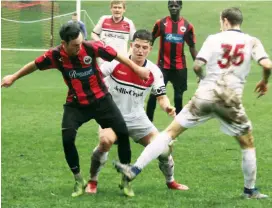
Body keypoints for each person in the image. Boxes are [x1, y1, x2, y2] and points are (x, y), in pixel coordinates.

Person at [113, 7, 272, 199]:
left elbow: (197, 65)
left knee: (169, 133)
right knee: (247, 143)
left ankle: (135, 170)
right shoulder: (252, 41)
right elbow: (267, 64)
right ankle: (249, 190)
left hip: (204, 96)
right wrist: (264, 81)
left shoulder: (214, 39)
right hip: (230, 100)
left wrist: (203, 79)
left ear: (224, 21)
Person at [1, 22, 149, 197]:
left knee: (123, 132)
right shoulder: (55, 55)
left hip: (101, 100)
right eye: (75, 45)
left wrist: (137, 68)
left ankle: (126, 181)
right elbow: (34, 64)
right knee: (67, 138)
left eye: (81, 42)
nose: (80, 47)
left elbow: (117, 56)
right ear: (64, 43)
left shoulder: (91, 47)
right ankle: (79, 180)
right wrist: (14, 77)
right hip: (76, 103)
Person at [85, 29, 189, 197]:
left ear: (150, 49)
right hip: (112, 116)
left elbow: (161, 97)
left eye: (144, 47)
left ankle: (170, 181)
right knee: (105, 141)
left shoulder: (154, 71)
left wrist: (167, 107)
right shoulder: (115, 62)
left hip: (137, 118)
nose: (140, 50)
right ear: (131, 45)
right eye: (137, 46)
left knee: (163, 148)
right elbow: (94, 78)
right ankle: (92, 181)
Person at [146, 0, 197, 122]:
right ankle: (148, 123)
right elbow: (150, 39)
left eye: (176, 6)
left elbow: (192, 47)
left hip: (179, 67)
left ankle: (178, 124)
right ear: (168, 7)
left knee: (179, 97)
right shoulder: (161, 23)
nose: (173, 8)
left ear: (180, 7)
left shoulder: (187, 26)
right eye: (171, 6)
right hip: (162, 67)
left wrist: (198, 65)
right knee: (154, 95)